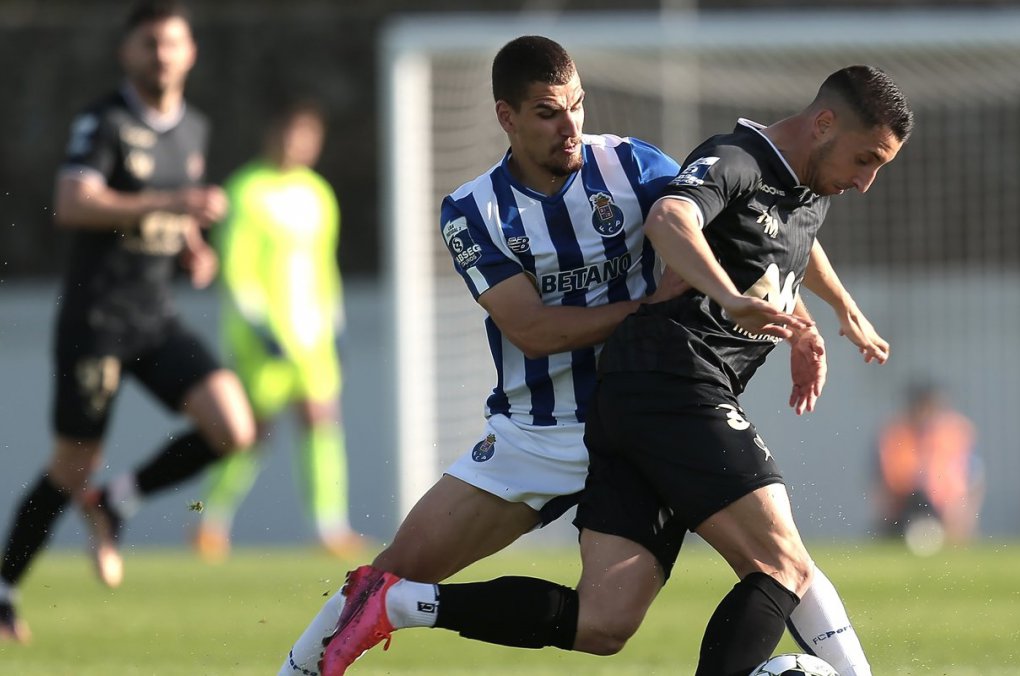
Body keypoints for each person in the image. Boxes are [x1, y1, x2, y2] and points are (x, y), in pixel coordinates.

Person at [284, 40, 890, 676]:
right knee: (389, 575)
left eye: (576, 105)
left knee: (626, 618)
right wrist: (655, 306)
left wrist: (827, 310)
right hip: (548, 430)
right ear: (506, 117)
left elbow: (757, 221)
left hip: (650, 407)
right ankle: (298, 667)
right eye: (548, 112)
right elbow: (533, 330)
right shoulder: (474, 210)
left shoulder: (632, 165)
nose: (570, 125)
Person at [0, 0, 255, 644]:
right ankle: (3, 589)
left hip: (156, 318)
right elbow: (73, 203)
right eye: (149, 44)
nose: (161, 55)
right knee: (72, 464)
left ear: (190, 51)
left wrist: (192, 247)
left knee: (232, 424)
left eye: (172, 44)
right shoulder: (105, 120)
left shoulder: (193, 127)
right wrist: (177, 203)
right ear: (127, 53)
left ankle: (118, 502)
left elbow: (170, 217)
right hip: (97, 318)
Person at [192, 100, 365, 563]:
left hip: (313, 336)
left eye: (308, 135)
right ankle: (210, 521)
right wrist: (257, 325)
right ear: (272, 133)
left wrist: (337, 323)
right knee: (249, 431)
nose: (298, 144)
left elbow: (325, 266)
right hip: (264, 336)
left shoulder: (318, 193)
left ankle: (330, 526)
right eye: (290, 132)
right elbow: (237, 267)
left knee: (322, 420)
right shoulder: (247, 190)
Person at [873, 380, 983, 551]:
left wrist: (964, 513)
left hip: (945, 506)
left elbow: (972, 474)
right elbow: (883, 477)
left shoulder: (954, 432)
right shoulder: (896, 433)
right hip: (905, 503)